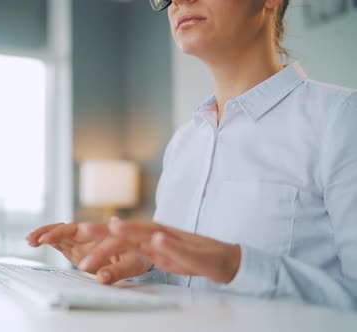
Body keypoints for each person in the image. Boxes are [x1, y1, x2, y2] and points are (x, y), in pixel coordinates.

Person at [27, 0, 357, 310]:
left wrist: (235, 265)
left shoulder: (341, 118)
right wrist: (140, 267)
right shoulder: (182, 144)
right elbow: (187, 293)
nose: (179, 1)